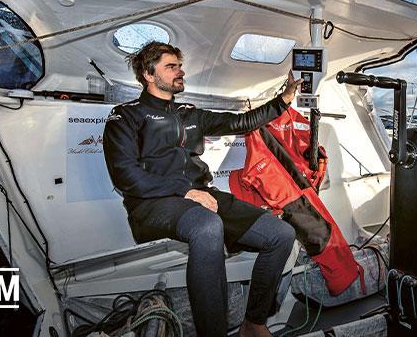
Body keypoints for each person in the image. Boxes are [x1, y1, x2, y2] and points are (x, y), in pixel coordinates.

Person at [103, 41, 300, 336]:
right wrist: (184, 191)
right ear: (148, 73)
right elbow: (125, 176)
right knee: (207, 226)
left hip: (198, 195)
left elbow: (242, 121)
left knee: (281, 234)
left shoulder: (189, 113)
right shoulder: (126, 116)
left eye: (180, 66)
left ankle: (254, 322)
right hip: (151, 202)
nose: (179, 71)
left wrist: (282, 101)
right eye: (171, 67)